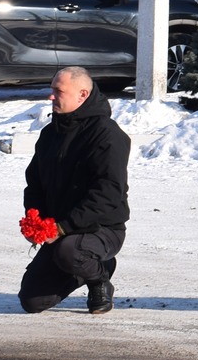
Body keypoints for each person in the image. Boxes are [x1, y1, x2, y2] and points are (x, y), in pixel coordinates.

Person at [19, 66, 130, 315]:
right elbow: (34, 184)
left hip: (102, 230)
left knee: (70, 251)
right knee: (32, 301)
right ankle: (81, 265)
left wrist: (62, 228)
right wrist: (35, 221)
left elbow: (108, 193)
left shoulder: (107, 134)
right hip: (61, 231)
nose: (51, 96)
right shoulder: (50, 134)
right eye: (52, 90)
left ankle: (99, 277)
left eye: (58, 91)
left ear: (82, 95)